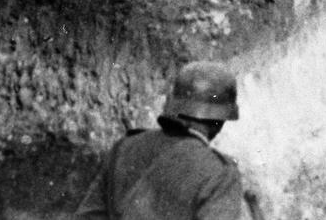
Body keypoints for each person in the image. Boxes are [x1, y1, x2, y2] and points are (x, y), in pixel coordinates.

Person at [76, 60, 247, 219]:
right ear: (220, 121)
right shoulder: (220, 174)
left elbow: (88, 216)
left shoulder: (125, 147)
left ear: (174, 106)